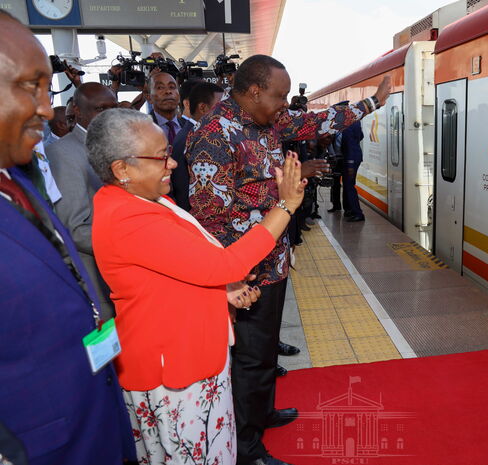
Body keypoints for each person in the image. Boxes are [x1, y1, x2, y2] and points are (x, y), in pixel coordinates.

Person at [186, 54, 390, 465]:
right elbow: (211, 216)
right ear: (254, 91)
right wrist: (280, 199)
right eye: (279, 96)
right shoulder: (214, 136)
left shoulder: (267, 120)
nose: (285, 105)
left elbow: (314, 121)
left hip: (273, 259)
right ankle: (246, 448)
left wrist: (372, 103)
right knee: (246, 357)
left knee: (263, 351)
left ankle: (262, 412)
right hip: (244, 271)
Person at [87, 108, 306, 465]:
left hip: (183, 352)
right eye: (161, 157)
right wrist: (286, 205)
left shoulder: (145, 202)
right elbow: (226, 263)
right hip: (175, 371)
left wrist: (224, 291)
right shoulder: (131, 219)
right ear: (121, 170)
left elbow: (176, 271)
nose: (172, 164)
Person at [0, 11, 135, 465]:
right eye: (29, 86)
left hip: (91, 418)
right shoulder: (52, 160)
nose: (45, 107)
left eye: (46, 87)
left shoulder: (17, 181)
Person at [46, 82, 118, 318]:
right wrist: (129, 243)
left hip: (122, 279)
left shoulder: (115, 145)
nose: (108, 115)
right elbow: (73, 229)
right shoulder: (63, 153)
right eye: (100, 109)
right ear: (76, 110)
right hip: (98, 281)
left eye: (113, 108)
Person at [171, 81, 225, 210]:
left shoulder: (193, 134)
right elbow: (182, 186)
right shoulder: (189, 137)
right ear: (202, 108)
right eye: (221, 107)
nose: (226, 112)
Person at [148, 71, 186, 145]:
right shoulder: (142, 129)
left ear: (179, 96)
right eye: (160, 87)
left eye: (172, 87)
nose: (168, 91)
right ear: (149, 98)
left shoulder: (190, 129)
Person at [341, 120, 365, 221]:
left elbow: (349, 144)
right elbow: (361, 136)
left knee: (349, 185)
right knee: (348, 184)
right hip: (356, 156)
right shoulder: (356, 122)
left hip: (351, 159)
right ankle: (349, 209)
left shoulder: (348, 124)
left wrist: (350, 163)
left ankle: (357, 213)